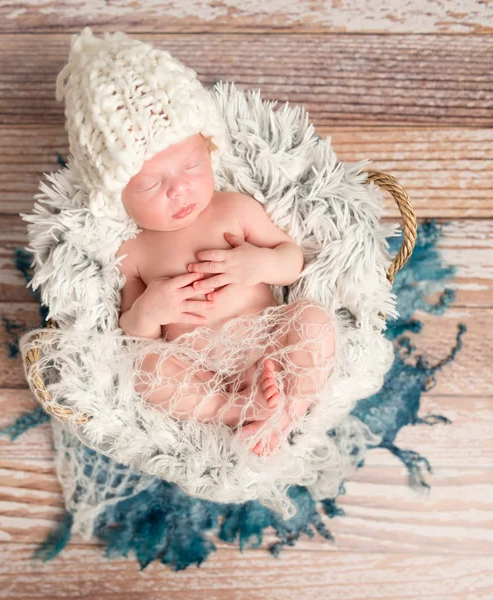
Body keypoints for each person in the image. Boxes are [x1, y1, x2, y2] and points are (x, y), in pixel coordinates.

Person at [56, 28, 336, 456]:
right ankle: (234, 409)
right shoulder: (132, 251)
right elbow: (132, 332)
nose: (179, 190)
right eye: (151, 185)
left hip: (269, 343)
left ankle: (289, 406)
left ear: (209, 149)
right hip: (198, 365)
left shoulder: (233, 209)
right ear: (117, 195)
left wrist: (257, 264)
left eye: (190, 165)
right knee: (148, 371)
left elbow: (291, 260)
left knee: (313, 319)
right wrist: (150, 311)